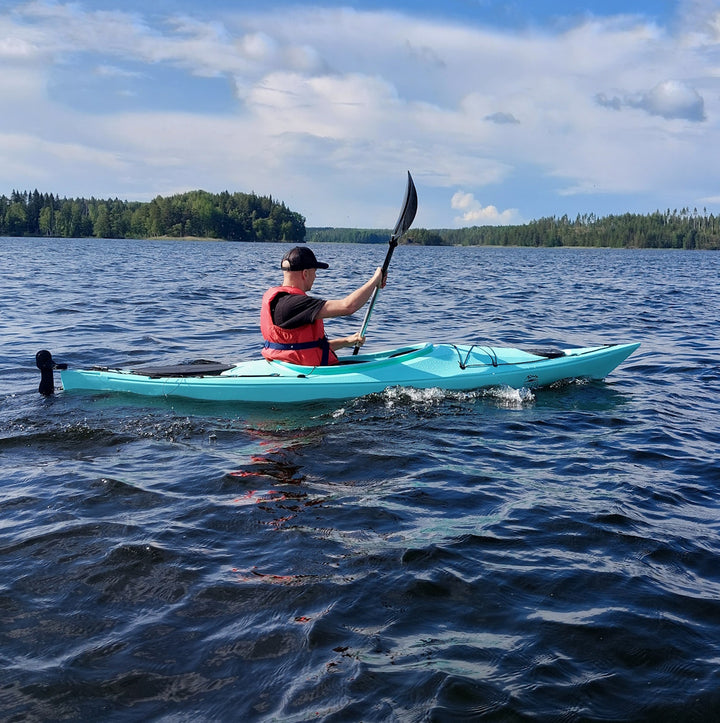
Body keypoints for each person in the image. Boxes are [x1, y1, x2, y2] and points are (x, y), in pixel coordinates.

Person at [261, 246, 386, 366]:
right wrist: (375, 279)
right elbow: (348, 306)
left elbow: (308, 346)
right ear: (305, 274)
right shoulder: (294, 304)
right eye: (314, 271)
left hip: (285, 366)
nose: (315, 276)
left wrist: (347, 341)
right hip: (307, 374)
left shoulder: (281, 300)